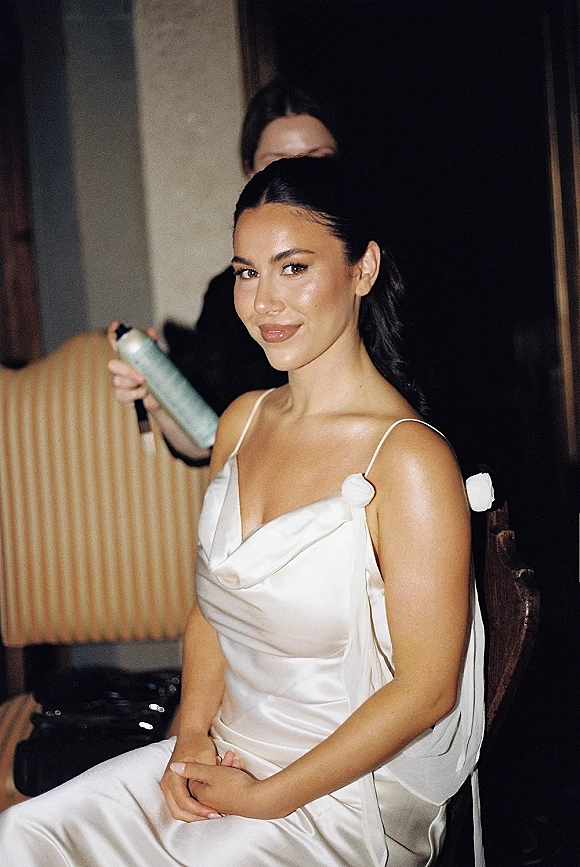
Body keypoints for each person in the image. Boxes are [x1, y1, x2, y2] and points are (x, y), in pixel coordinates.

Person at [0, 157, 485, 867]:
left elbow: (427, 689)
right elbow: (213, 611)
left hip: (338, 795)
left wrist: (270, 794)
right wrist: (191, 733)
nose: (263, 302)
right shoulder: (241, 422)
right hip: (223, 751)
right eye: (246, 273)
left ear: (363, 268)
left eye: (293, 268)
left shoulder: (409, 460)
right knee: (23, 838)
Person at [108, 78, 341, 466]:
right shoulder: (229, 297)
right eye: (278, 165)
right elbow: (207, 440)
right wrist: (162, 397)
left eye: (317, 161)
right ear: (250, 174)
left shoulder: (391, 280)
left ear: (364, 270)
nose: (299, 181)